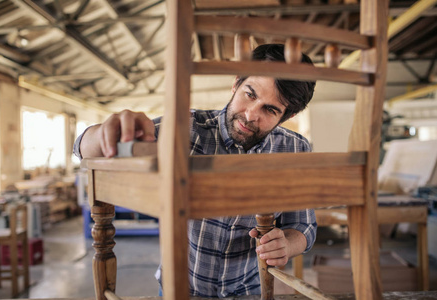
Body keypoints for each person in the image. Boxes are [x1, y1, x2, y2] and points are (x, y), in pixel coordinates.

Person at [73, 43, 317, 297]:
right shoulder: (186, 129)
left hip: (250, 291)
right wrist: (102, 135)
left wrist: (287, 244)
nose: (250, 115)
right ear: (236, 83)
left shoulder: (295, 149)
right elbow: (81, 147)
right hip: (179, 289)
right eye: (250, 94)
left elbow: (304, 226)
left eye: (270, 109)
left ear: (285, 117)